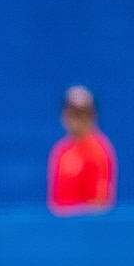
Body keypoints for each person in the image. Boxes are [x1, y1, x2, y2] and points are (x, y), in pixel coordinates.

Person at [48, 85, 117, 216]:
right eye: (74, 114)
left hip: (88, 231)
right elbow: (55, 202)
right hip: (63, 229)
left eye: (85, 114)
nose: (79, 120)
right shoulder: (60, 151)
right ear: (64, 116)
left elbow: (100, 205)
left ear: (94, 116)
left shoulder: (99, 151)